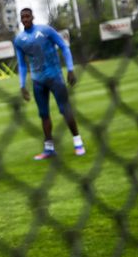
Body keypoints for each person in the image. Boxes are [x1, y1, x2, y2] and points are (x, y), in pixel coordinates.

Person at [14, 8, 86, 159]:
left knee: (65, 110)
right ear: (21, 20)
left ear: (33, 17)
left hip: (55, 78)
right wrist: (22, 85)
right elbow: (21, 64)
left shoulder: (46, 30)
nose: (25, 19)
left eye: (27, 16)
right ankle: (49, 149)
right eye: (23, 17)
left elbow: (64, 47)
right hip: (37, 81)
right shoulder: (19, 40)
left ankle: (78, 143)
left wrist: (70, 69)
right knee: (44, 115)